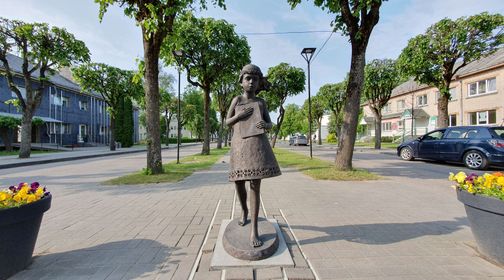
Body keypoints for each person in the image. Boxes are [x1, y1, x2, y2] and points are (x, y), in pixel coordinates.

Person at [226, 64, 281, 247]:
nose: (251, 82)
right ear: (241, 81)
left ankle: (254, 230)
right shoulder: (237, 100)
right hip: (240, 146)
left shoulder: (260, 103)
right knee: (239, 182)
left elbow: (270, 123)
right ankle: (244, 211)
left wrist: (265, 126)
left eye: (254, 79)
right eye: (247, 78)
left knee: (255, 186)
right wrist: (239, 116)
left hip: (257, 145)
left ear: (258, 83)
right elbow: (227, 122)